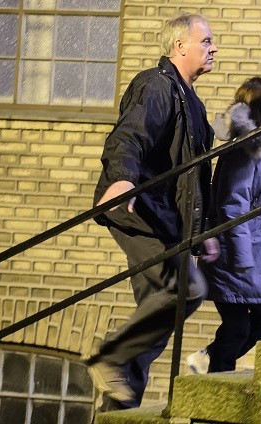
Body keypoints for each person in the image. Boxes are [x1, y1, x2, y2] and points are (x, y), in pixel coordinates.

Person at [85, 12, 220, 411]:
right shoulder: (156, 85)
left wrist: (203, 230)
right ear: (180, 45)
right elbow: (129, 135)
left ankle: (117, 409)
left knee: (155, 318)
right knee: (186, 289)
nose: (214, 48)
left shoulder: (192, 102)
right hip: (137, 211)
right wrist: (122, 178)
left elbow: (192, 178)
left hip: (164, 220)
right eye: (206, 41)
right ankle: (109, 355)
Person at [187, 77, 261, 374]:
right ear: (257, 104)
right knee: (244, 324)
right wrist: (242, 257)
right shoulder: (247, 147)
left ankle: (209, 360)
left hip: (255, 251)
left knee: (260, 319)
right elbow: (233, 205)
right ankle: (214, 369)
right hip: (235, 253)